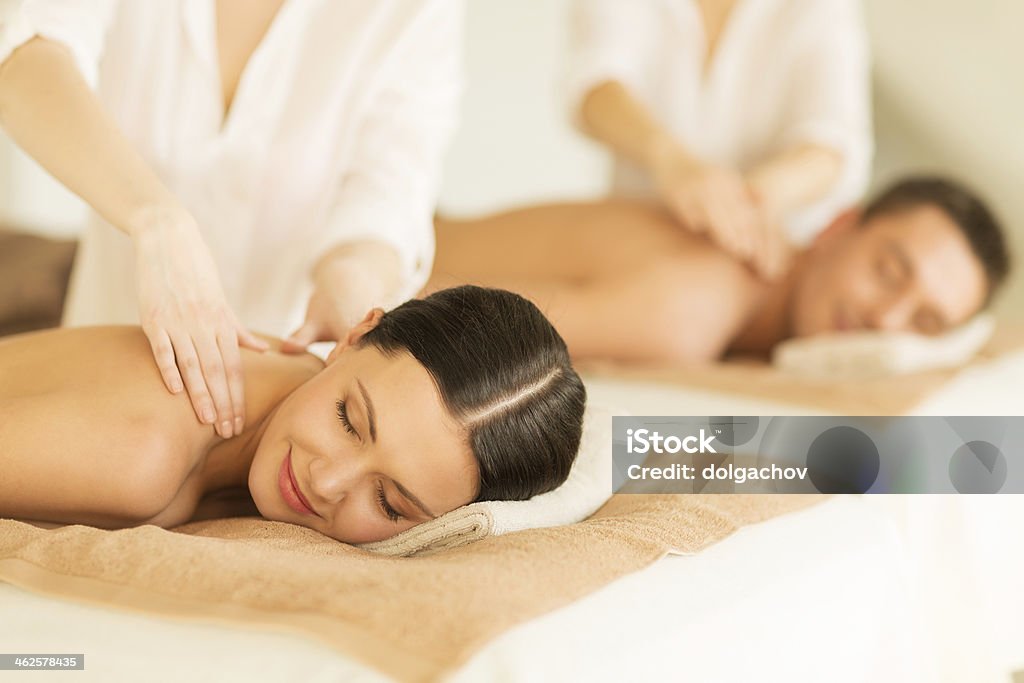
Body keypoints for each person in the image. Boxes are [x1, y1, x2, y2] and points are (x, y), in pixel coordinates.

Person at [0, 0, 462, 441]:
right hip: (97, 364)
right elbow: (27, 54)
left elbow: (385, 196)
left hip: (280, 413)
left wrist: (352, 293)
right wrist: (157, 222)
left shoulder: (414, 10)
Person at [0, 286, 588, 544]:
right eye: (348, 420)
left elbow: (649, 449)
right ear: (354, 333)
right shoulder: (141, 456)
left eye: (389, 503)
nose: (326, 483)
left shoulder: (288, 384)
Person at [426, 177, 1012, 364]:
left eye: (926, 322)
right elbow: (429, 313)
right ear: (837, 228)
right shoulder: (693, 309)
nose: (887, 320)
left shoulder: (749, 328)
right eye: (888, 270)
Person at [568, 0, 872, 278]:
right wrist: (672, 161)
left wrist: (760, 196)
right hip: (634, 245)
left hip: (759, 267)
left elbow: (833, 141)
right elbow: (595, 84)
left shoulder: (823, 8)